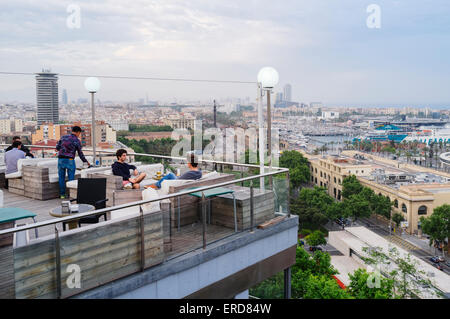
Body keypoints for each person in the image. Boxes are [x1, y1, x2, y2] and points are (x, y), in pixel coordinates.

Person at [56, 126, 90, 198]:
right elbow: (80, 153)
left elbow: (57, 148)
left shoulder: (63, 137)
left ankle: (62, 195)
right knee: (71, 178)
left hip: (60, 159)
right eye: (79, 133)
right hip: (70, 160)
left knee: (61, 178)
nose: (79, 135)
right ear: (78, 132)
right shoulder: (76, 140)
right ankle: (71, 195)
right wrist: (86, 162)